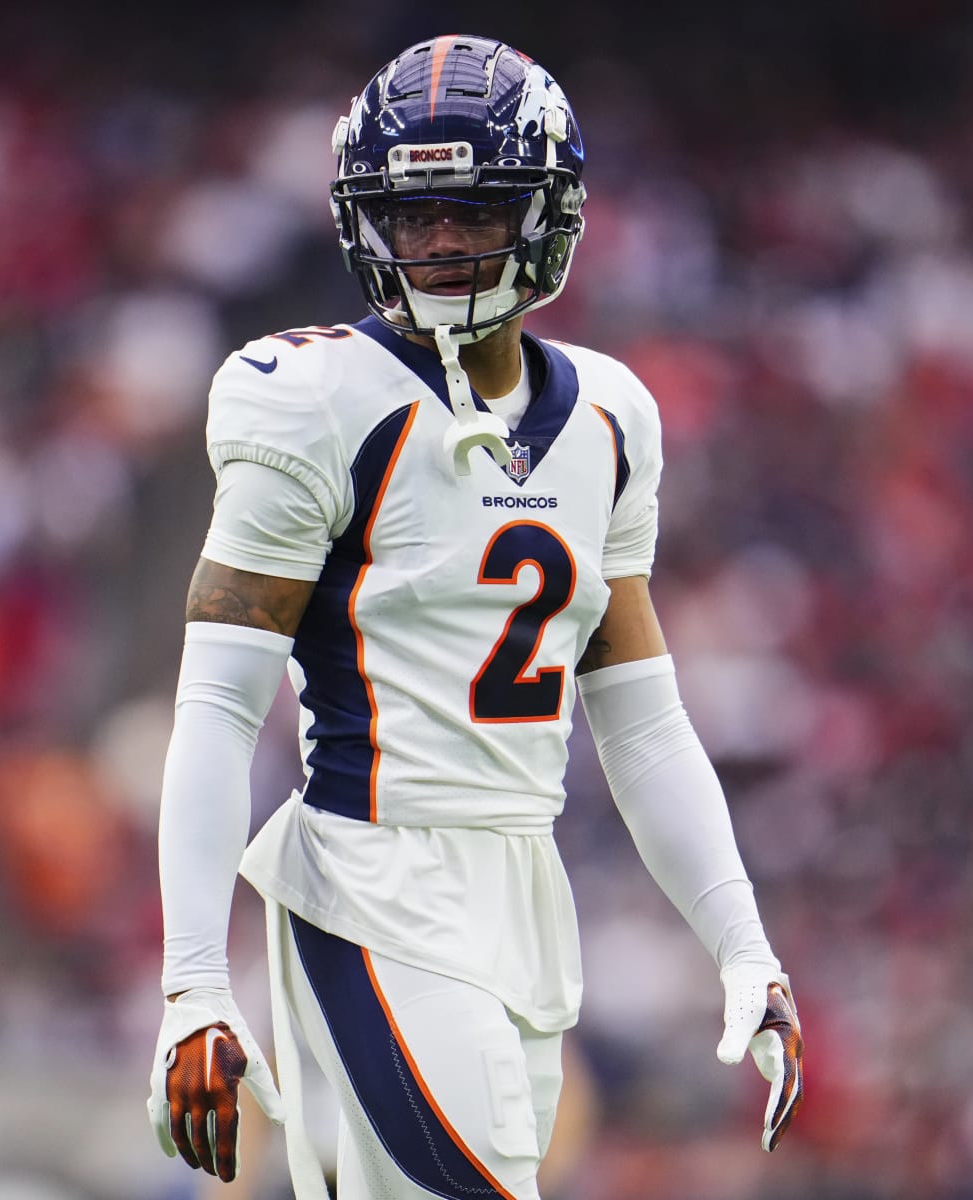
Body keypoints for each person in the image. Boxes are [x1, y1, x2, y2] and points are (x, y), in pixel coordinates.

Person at [146, 34, 804, 1199]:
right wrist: (194, 982)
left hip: (525, 888)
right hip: (371, 877)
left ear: (546, 214)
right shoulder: (312, 400)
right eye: (413, 215)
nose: (441, 242)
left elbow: (642, 723)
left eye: (474, 208)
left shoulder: (610, 414)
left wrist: (741, 939)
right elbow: (214, 702)